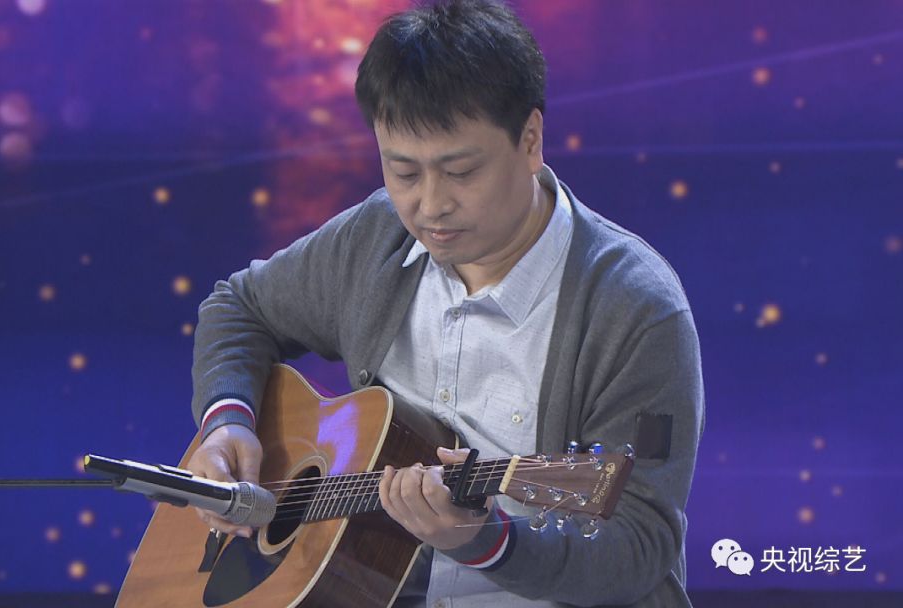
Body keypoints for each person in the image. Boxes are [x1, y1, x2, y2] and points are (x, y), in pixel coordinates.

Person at [186, 1, 704, 606]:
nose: (430, 206)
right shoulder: (375, 238)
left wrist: (489, 542)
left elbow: (639, 544)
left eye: (460, 171)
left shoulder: (635, 307)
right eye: (404, 173)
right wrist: (226, 421)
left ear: (530, 140)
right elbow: (238, 307)